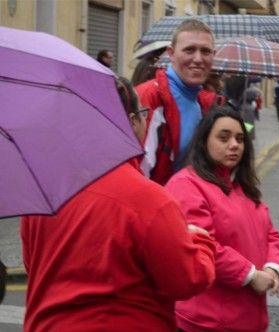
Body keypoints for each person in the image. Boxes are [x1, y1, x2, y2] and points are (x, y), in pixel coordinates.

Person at [21, 77, 216, 331]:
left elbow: (33, 263)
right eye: (143, 115)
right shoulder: (149, 200)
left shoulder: (45, 190)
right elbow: (186, 280)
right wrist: (200, 241)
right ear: (133, 121)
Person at [165, 106, 279, 332]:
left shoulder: (243, 187)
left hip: (249, 316)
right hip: (207, 321)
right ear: (204, 141)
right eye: (224, 138)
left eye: (240, 139)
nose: (234, 145)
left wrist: (273, 268)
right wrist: (251, 276)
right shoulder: (186, 185)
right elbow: (202, 244)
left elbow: (270, 233)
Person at [136, 19, 215, 185]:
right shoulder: (150, 96)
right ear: (171, 53)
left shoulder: (204, 102)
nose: (198, 59)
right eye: (189, 50)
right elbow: (138, 173)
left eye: (206, 51)